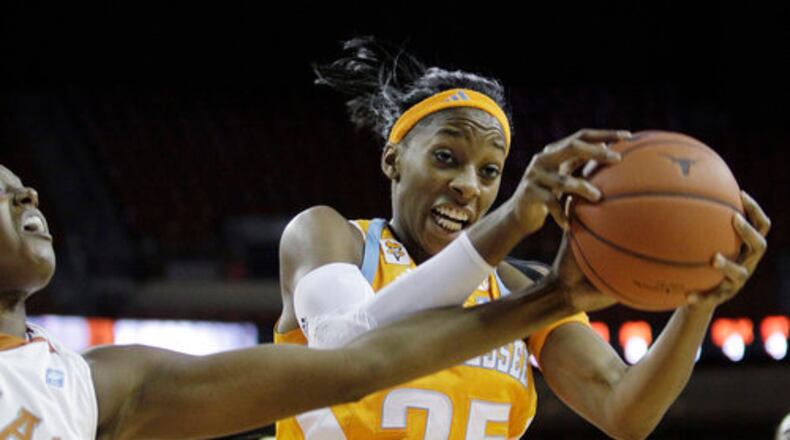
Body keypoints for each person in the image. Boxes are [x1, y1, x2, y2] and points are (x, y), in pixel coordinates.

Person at [275, 37, 771, 439]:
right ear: (393, 159)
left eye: (490, 171)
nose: (469, 185)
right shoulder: (328, 237)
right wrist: (512, 220)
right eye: (446, 156)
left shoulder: (517, 288)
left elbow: (624, 412)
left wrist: (699, 300)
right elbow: (345, 347)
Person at [0, 163, 626, 440]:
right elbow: (351, 350)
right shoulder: (328, 234)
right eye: (0, 192)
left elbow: (359, 369)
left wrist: (554, 298)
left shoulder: (93, 386)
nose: (27, 193)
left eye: (22, 186)